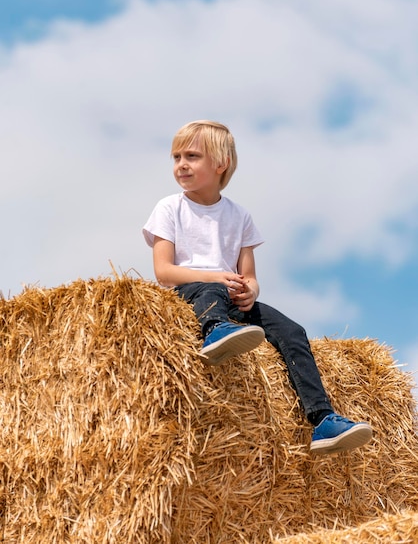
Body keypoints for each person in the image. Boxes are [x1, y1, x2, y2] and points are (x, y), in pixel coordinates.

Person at [143, 120, 373, 455]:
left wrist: (250, 291)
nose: (181, 164)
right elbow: (163, 272)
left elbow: (249, 276)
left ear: (220, 164)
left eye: (191, 156)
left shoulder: (239, 216)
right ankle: (213, 333)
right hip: (188, 296)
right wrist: (216, 277)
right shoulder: (169, 208)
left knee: (292, 331)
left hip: (229, 296)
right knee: (211, 291)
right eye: (176, 157)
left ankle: (322, 419)